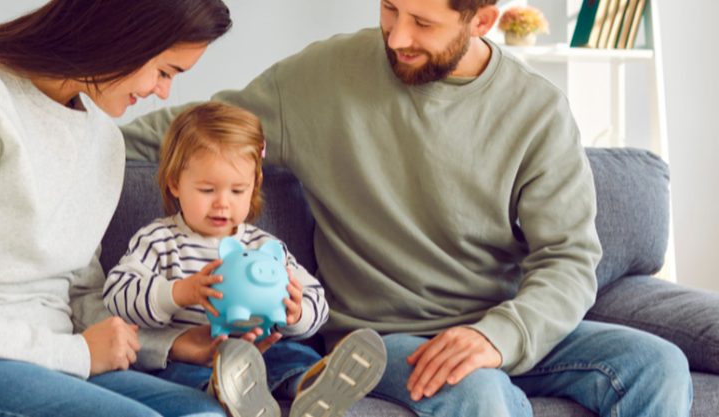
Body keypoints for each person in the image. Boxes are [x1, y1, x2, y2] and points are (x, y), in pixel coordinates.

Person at [120, 0, 694, 416]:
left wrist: (500, 335)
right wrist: (75, 124)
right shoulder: (321, 78)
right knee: (479, 392)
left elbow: (569, 259)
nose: (395, 38)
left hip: (500, 322)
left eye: (423, 22)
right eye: (389, 10)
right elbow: (198, 132)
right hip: (383, 335)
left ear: (483, 20)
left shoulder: (535, 111)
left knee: (658, 364)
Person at [0, 1, 235, 416]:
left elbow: (80, 291)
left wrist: (170, 343)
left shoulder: (105, 141)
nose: (164, 92)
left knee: (205, 413)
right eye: (165, 72)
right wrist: (76, 354)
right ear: (125, 35)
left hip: (49, 364)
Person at [104, 102, 386, 417]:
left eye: (238, 190)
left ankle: (310, 389)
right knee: (177, 373)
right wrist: (180, 292)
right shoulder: (159, 240)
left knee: (293, 354)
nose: (222, 204)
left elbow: (316, 298)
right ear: (174, 183)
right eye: (207, 189)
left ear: (254, 186)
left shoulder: (264, 246)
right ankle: (225, 392)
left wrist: (297, 312)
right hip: (197, 357)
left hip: (263, 347)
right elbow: (117, 293)